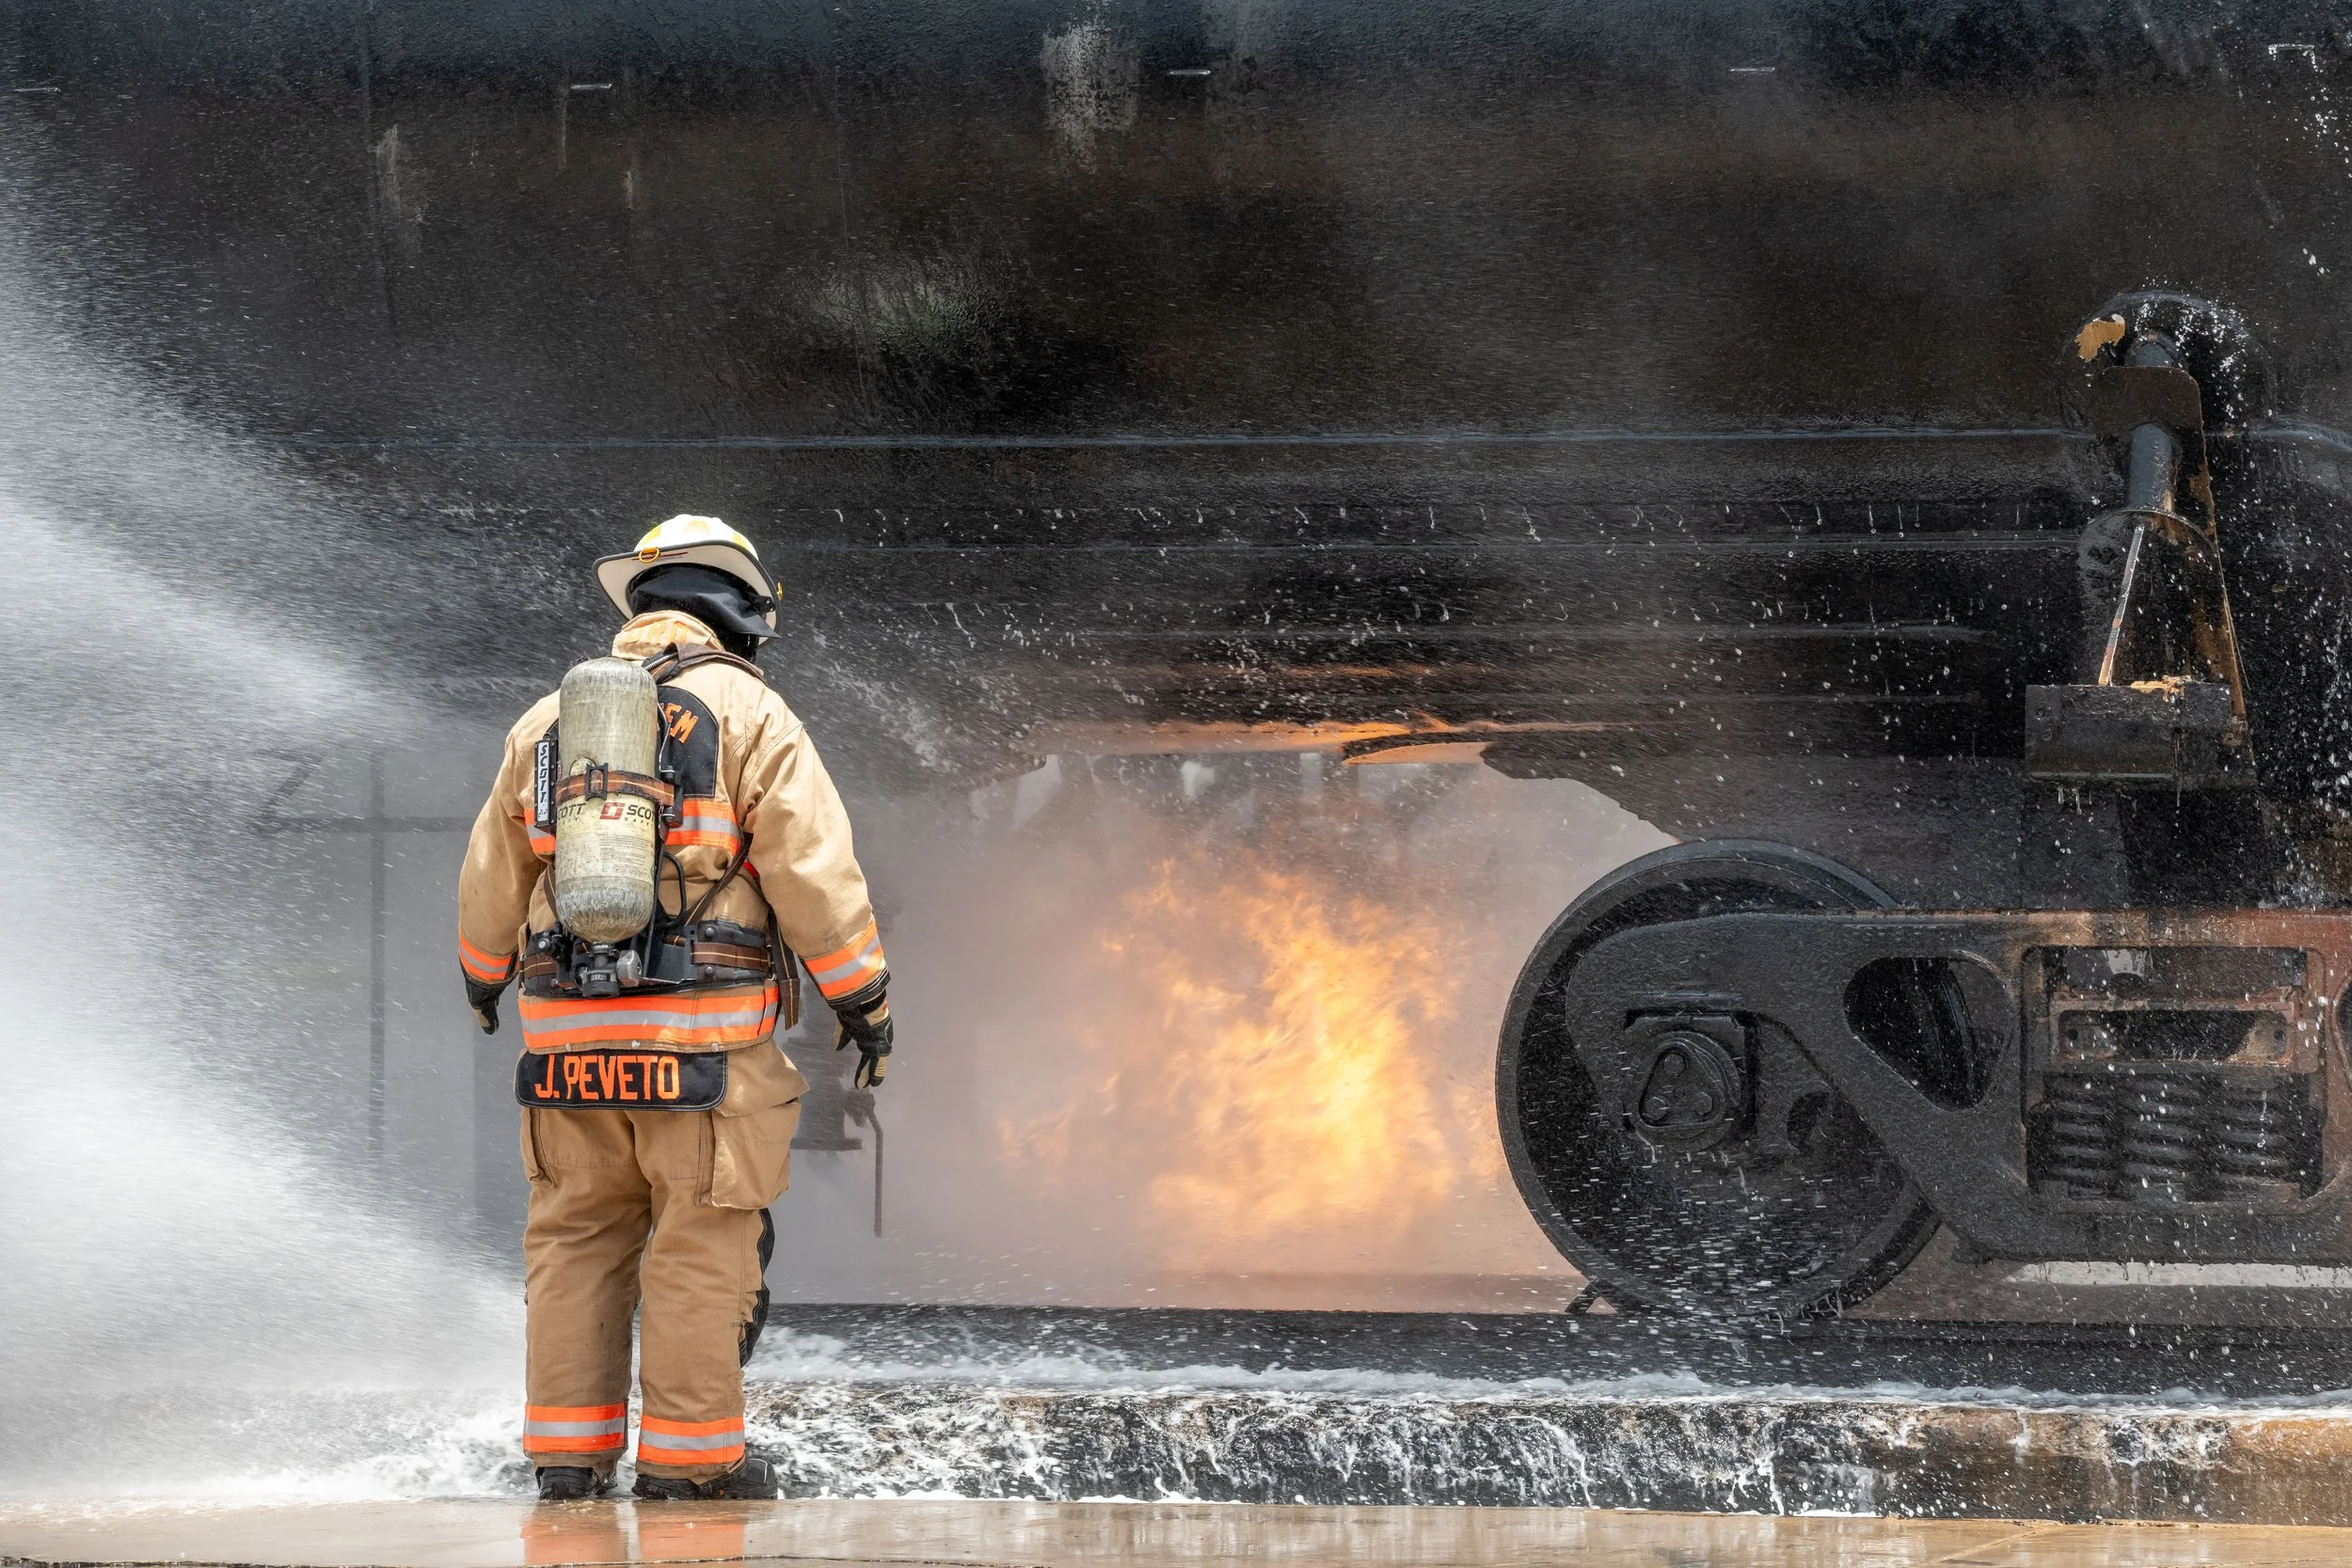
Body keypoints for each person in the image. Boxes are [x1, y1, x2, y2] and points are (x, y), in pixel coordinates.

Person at [455, 515, 895, 1502]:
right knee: (700, 1243)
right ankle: (691, 1470)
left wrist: (484, 978)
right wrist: (862, 998)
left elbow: (490, 872)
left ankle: (566, 1461)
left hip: (564, 1044)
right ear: (742, 611)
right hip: (703, 1043)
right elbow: (813, 871)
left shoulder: (544, 720)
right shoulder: (750, 715)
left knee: (574, 1238)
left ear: (643, 606)